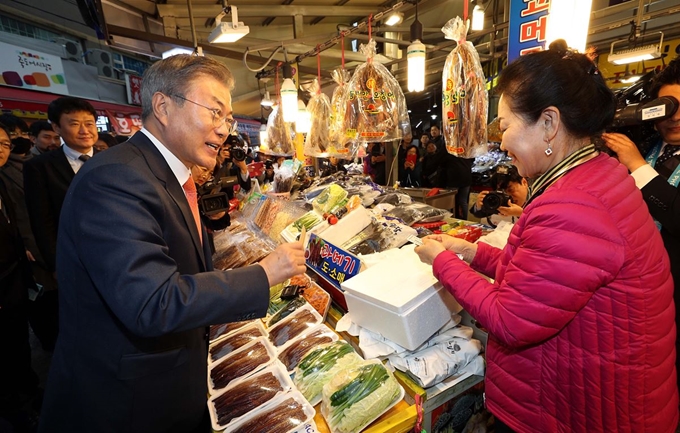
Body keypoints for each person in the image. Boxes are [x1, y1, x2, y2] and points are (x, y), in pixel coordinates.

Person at [38, 54, 306, 433]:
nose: (224, 130)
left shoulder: (162, 173)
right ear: (163, 106)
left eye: (227, 119)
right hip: (127, 405)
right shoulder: (118, 177)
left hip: (167, 385)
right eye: (214, 112)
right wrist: (263, 273)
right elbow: (152, 301)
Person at [415, 46, 678, 432]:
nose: (501, 143)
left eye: (504, 126)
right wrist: (474, 253)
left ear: (549, 124)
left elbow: (511, 319)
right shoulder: (595, 173)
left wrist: (444, 263)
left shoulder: (574, 204)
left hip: (589, 413)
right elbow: (546, 275)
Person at [602, 54, 680, 391]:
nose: (674, 117)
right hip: (632, 297)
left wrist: (636, 165)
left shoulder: (638, 156)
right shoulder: (645, 147)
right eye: (667, 107)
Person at [23, 97, 98, 352]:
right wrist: (57, 264)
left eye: (89, 123)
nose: (85, 130)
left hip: (115, 254)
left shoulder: (113, 159)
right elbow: (41, 221)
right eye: (75, 124)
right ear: (56, 128)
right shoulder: (40, 167)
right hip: (73, 259)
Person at [0, 123, 40, 433]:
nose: (0, 149)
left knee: (17, 346)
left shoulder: (3, 181)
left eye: (3, 143)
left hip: (13, 279)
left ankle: (28, 396)